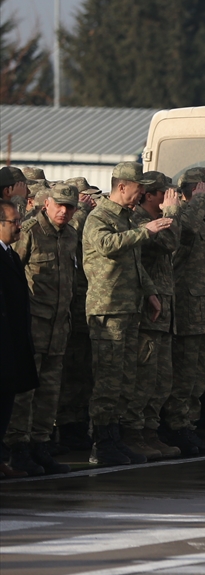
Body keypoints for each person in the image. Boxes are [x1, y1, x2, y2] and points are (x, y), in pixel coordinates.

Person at [83, 162, 173, 466]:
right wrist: (144, 231)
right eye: (139, 190)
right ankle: (102, 443)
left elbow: (135, 262)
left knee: (124, 378)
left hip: (129, 307)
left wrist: (150, 293)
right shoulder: (100, 217)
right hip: (108, 309)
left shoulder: (124, 219)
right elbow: (107, 246)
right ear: (122, 187)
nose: (142, 195)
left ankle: (115, 439)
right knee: (108, 380)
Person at [4, 184, 80, 475]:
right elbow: (11, 271)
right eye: (59, 205)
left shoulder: (71, 235)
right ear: (46, 203)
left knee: (50, 391)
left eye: (70, 207)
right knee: (25, 392)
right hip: (32, 326)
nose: (64, 211)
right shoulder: (31, 232)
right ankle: (18, 448)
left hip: (59, 327)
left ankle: (40, 445)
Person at [162, 168, 205, 456]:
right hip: (187, 310)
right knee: (184, 376)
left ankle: (191, 425)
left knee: (198, 376)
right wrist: (195, 202)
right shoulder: (185, 218)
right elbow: (183, 235)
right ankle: (177, 427)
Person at [128, 172, 184, 460]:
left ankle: (150, 432)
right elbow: (169, 243)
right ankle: (134, 434)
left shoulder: (158, 219)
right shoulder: (139, 222)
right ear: (149, 195)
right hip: (145, 312)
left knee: (161, 380)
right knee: (144, 378)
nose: (169, 197)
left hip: (163, 309)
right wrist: (173, 212)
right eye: (164, 192)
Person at [56, 179, 97, 453]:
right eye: (83, 197)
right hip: (61, 312)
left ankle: (76, 427)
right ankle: (62, 430)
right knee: (67, 375)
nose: (88, 202)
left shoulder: (75, 229)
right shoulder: (73, 222)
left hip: (80, 308)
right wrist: (81, 210)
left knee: (81, 373)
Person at [0, 200, 40, 478]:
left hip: (10, 343)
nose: (19, 226)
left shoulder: (10, 255)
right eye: (13, 222)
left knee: (5, 404)